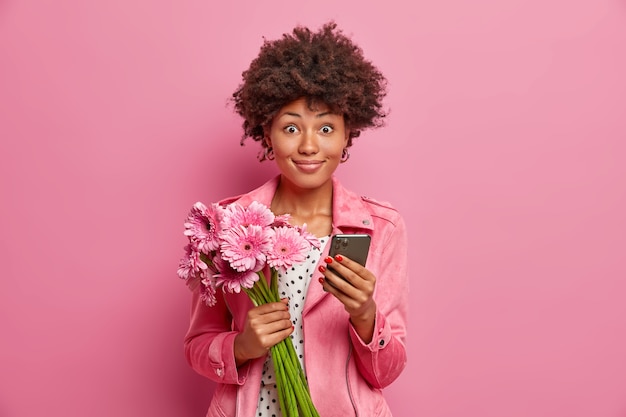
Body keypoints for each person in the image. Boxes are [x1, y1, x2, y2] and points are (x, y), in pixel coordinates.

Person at [184, 21, 409, 417]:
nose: (308, 145)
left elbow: (386, 372)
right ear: (267, 134)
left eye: (325, 128)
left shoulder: (381, 227)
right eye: (291, 127)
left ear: (346, 136)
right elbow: (196, 346)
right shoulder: (225, 224)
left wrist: (365, 315)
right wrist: (240, 346)